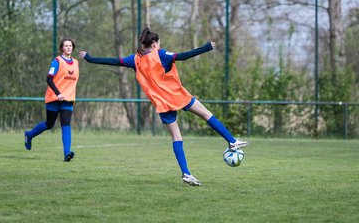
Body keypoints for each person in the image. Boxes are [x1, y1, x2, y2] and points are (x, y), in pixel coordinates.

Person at [79, 27, 249, 185]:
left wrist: (90, 58)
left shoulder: (135, 60)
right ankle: (232, 142)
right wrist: (206, 47)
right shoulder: (160, 54)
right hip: (177, 95)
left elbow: (112, 61)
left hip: (162, 102)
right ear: (154, 44)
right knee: (206, 114)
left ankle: (186, 173)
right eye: (158, 43)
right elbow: (182, 56)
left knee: (176, 137)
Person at [25, 38, 79, 162]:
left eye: (70, 45)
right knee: (49, 124)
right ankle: (29, 135)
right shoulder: (57, 61)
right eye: (66, 46)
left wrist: (67, 94)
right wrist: (58, 93)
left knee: (66, 124)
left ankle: (67, 154)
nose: (68, 47)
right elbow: (49, 79)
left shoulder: (76, 63)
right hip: (54, 97)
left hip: (67, 99)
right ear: (62, 48)